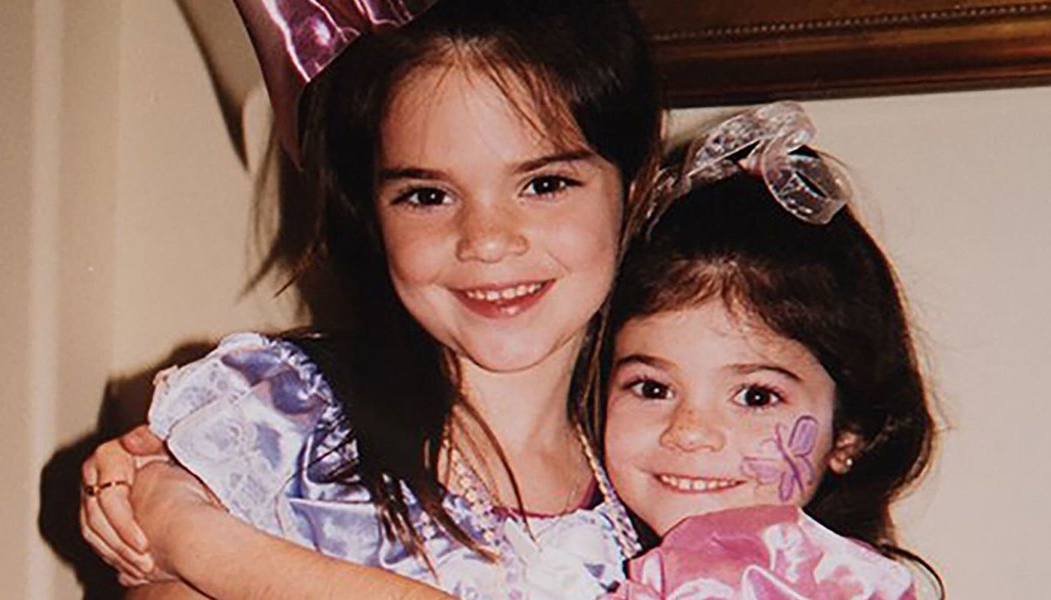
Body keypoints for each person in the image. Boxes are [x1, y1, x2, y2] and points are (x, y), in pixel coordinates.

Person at [79, 0, 661, 597]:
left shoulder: (664, 477)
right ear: (373, 212)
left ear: (634, 183)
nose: (486, 241)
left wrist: (197, 539)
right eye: (428, 196)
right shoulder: (280, 436)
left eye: (544, 184)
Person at [597, 104, 941, 598]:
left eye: (756, 397)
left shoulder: (839, 588)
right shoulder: (574, 555)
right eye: (652, 388)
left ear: (848, 435)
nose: (690, 432)